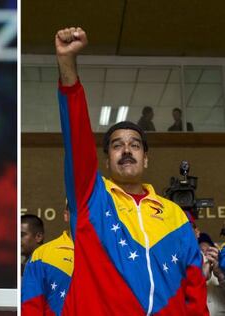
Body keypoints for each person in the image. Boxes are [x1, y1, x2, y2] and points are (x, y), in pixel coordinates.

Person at [55, 27, 208, 315]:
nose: (126, 150)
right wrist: (67, 65)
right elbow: (75, 135)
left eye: (135, 145)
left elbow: (195, 287)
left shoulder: (175, 215)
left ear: (146, 158)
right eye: (117, 145)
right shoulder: (91, 199)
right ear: (106, 160)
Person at [21, 203, 74, 315]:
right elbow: (31, 307)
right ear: (66, 215)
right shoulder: (42, 255)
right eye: (77, 209)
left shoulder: (111, 254)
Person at [198, 233, 225, 315]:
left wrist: (220, 275)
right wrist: (201, 277)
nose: (205, 256)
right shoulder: (189, 274)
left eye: (208, 252)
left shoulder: (221, 270)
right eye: (201, 253)